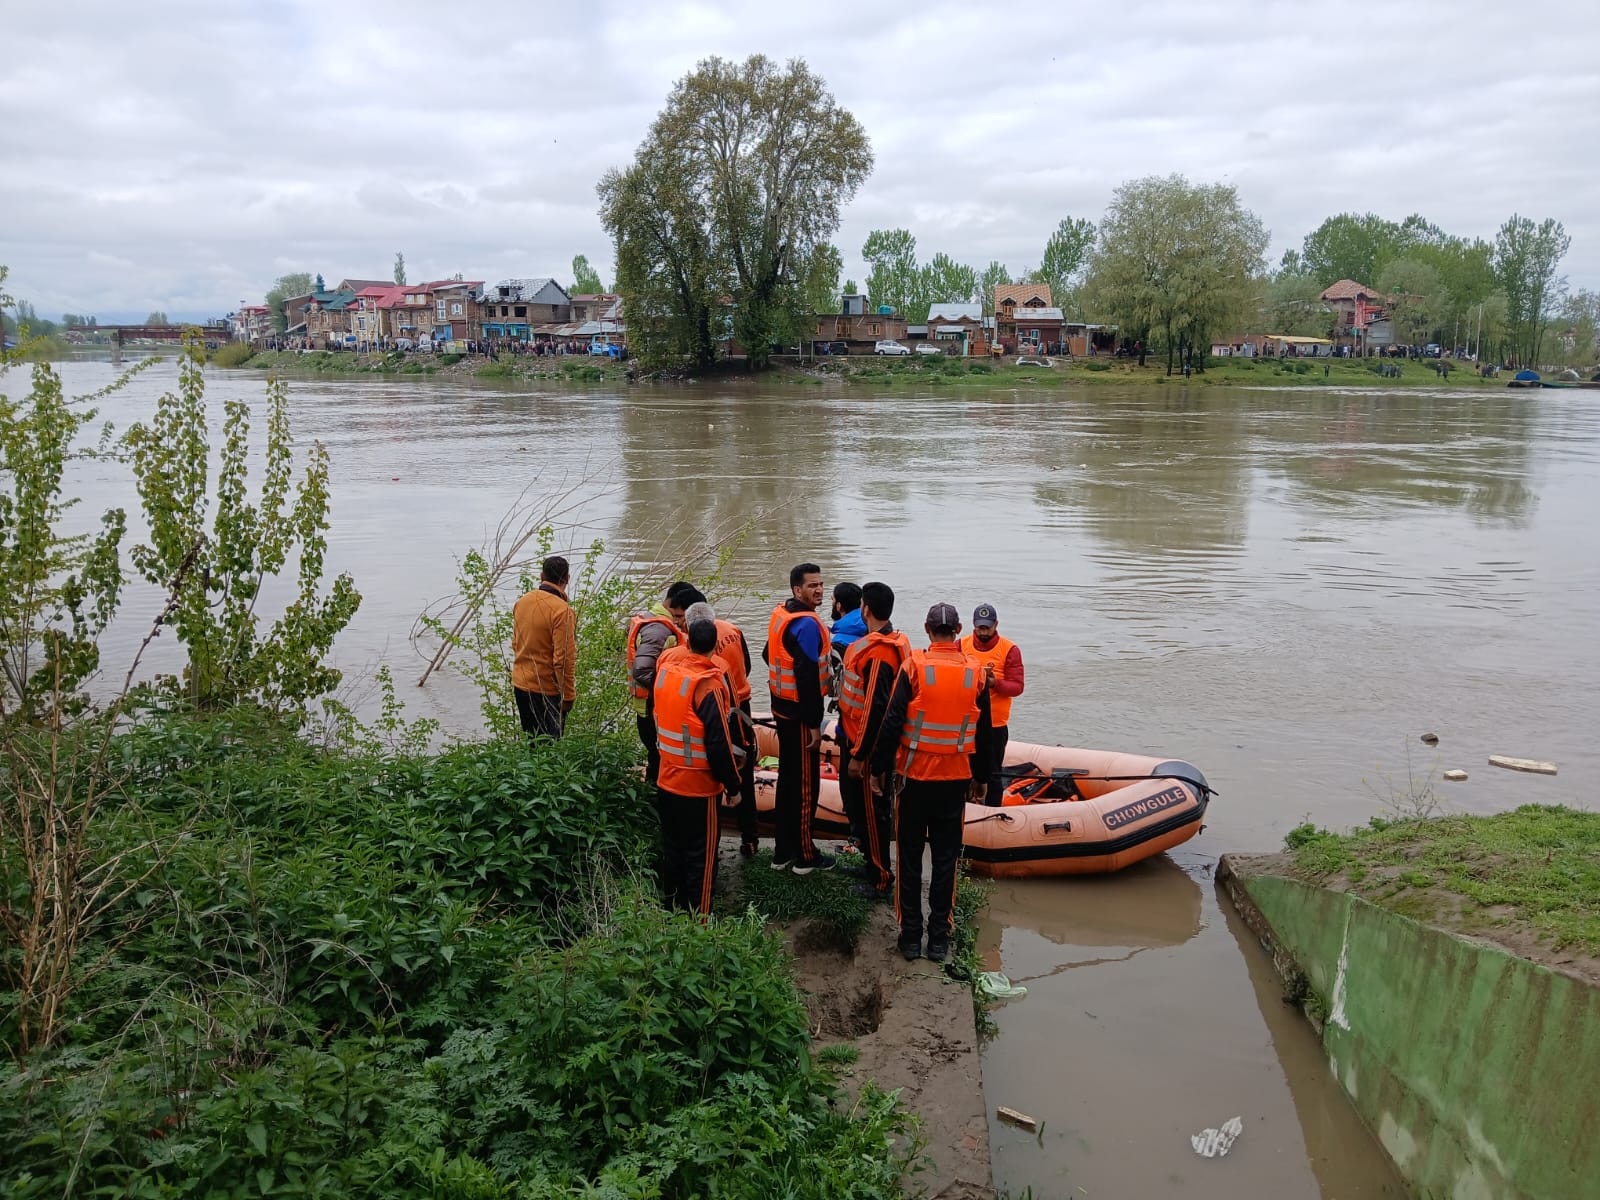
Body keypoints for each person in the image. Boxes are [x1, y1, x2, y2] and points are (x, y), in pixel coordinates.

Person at [872, 602, 992, 963]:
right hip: (954, 781)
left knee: (908, 858)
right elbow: (984, 734)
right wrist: (982, 778)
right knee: (945, 861)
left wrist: (879, 769)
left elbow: (891, 723)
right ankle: (938, 939)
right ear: (958, 631)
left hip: (912, 780)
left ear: (927, 630)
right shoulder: (976, 672)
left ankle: (910, 937)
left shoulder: (914, 667)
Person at [653, 616, 744, 914]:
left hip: (667, 780)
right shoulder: (708, 685)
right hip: (699, 789)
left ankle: (671, 915)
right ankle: (699, 927)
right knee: (700, 860)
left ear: (687, 642)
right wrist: (733, 785)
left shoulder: (667, 674)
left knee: (674, 853)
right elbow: (719, 743)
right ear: (715, 647)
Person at [837, 582, 911, 900]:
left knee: (873, 813)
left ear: (865, 608)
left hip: (865, 747)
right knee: (861, 809)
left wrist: (860, 755)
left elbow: (874, 710)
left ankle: (880, 878)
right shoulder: (887, 643)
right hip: (854, 738)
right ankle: (870, 863)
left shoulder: (880, 654)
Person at [762, 562, 834, 873]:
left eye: (820, 585)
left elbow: (768, 654)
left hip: (781, 710)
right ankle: (805, 856)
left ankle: (782, 852)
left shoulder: (782, 615)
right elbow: (807, 680)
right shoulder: (806, 625)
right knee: (806, 786)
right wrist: (814, 725)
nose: (819, 590)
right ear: (797, 589)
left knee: (788, 781)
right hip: (800, 718)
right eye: (812, 586)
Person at [959, 604, 1024, 806]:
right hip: (966, 724)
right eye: (980, 627)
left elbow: (1017, 686)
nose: (983, 632)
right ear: (973, 625)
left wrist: (995, 683)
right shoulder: (960, 646)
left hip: (995, 726)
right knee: (963, 774)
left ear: (996, 625)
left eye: (987, 627)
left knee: (993, 775)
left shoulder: (1009, 650)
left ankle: (993, 813)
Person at [627, 584, 690, 782]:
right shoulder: (659, 629)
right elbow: (642, 670)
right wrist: (669, 689)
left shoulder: (650, 618)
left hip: (646, 705)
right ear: (678, 608)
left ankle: (652, 802)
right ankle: (657, 806)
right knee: (660, 759)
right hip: (651, 706)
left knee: (656, 758)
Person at [511, 555, 575, 741]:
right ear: (567, 579)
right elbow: (562, 660)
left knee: (532, 742)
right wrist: (568, 695)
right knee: (550, 747)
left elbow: (516, 644)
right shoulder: (562, 611)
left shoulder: (522, 602)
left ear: (541, 576)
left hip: (520, 684)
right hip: (546, 691)